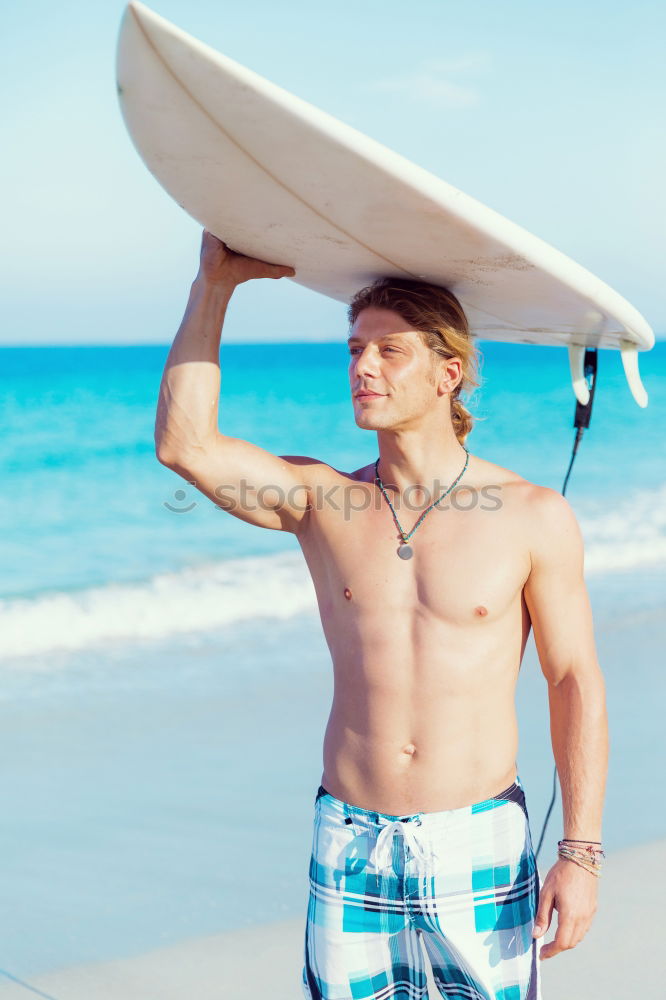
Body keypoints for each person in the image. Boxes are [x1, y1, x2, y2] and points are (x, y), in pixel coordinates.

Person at [155, 231, 609, 1000]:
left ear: (448, 373)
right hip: (351, 840)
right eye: (354, 349)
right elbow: (184, 444)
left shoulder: (532, 515)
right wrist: (215, 284)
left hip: (479, 837)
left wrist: (582, 853)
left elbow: (573, 680)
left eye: (389, 351)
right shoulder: (323, 501)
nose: (362, 367)